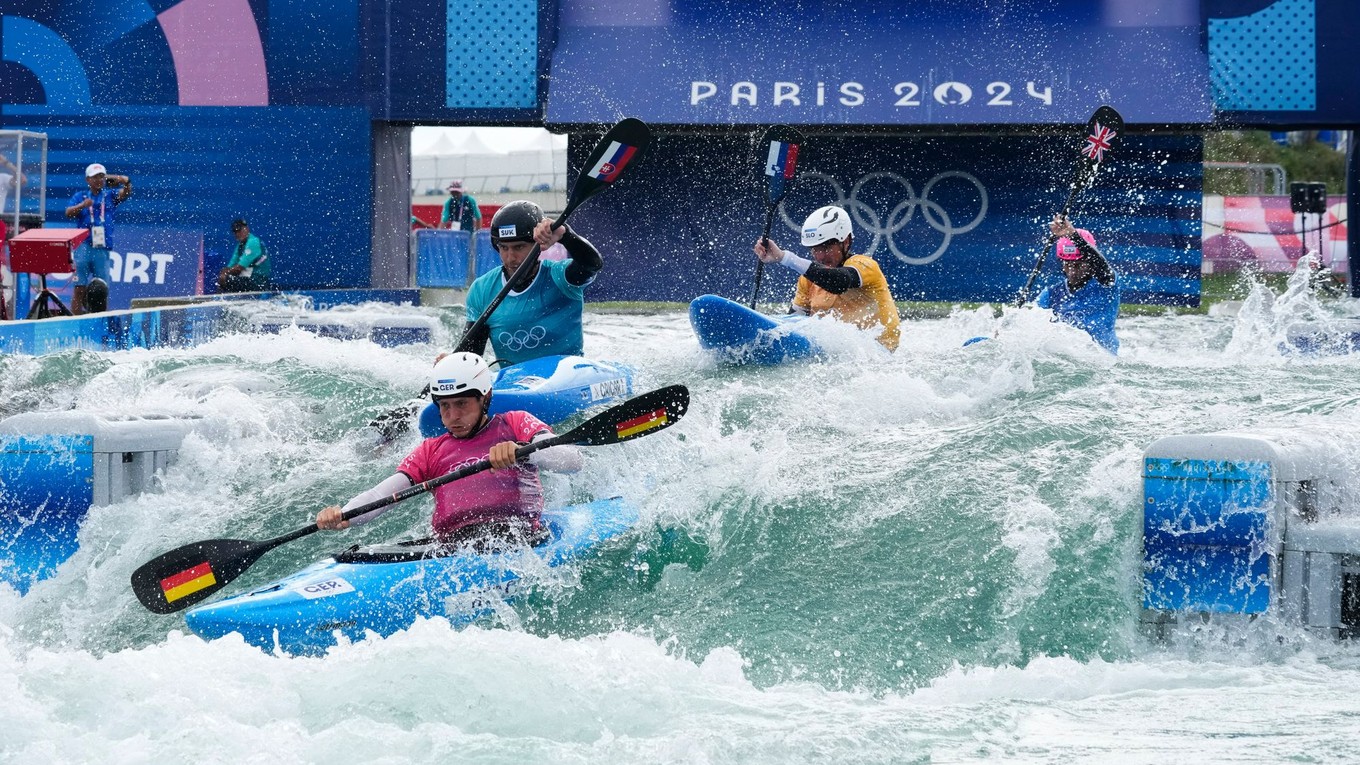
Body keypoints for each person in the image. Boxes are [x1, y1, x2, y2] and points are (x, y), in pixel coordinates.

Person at [316, 353, 582, 546]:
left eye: (462, 404)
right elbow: (382, 494)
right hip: (453, 547)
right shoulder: (431, 450)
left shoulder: (516, 423)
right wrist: (345, 515)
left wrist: (525, 449)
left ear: (485, 398)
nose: (453, 416)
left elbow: (572, 460)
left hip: (518, 539)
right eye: (444, 406)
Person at [461, 200, 604, 364]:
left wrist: (566, 235)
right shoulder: (482, 290)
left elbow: (592, 264)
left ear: (538, 245)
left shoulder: (560, 277)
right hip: (514, 383)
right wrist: (457, 364)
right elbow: (472, 353)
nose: (510, 257)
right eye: (504, 248)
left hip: (565, 377)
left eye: (519, 247)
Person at [752, 204, 902, 351]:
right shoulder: (808, 280)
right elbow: (792, 324)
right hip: (838, 356)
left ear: (846, 242)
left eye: (826, 247)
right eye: (815, 249)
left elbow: (839, 282)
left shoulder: (866, 265)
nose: (820, 256)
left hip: (880, 356)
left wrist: (785, 257)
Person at [1034, 214, 1120, 354]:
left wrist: (1072, 235)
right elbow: (1028, 321)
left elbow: (1100, 263)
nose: (1072, 271)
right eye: (1068, 265)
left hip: (1103, 360)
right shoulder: (1051, 294)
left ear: (1090, 263)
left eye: (1079, 265)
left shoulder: (1106, 283)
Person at [64, 163, 132, 314]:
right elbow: (68, 212)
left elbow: (126, 193)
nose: (99, 180)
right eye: (95, 177)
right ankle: (75, 321)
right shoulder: (80, 196)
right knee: (79, 287)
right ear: (88, 180)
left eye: (101, 176)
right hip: (83, 246)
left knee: (102, 288)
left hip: (102, 247)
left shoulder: (110, 195)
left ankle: (101, 322)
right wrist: (83, 205)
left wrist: (124, 181)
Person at [217, 219, 273, 293]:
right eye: (235, 232)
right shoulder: (240, 245)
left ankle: (223, 299)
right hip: (249, 279)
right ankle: (223, 298)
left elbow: (239, 268)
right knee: (222, 278)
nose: (237, 234)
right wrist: (223, 272)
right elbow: (230, 265)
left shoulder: (253, 242)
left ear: (247, 229)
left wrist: (225, 274)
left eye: (239, 230)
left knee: (227, 279)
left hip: (258, 282)